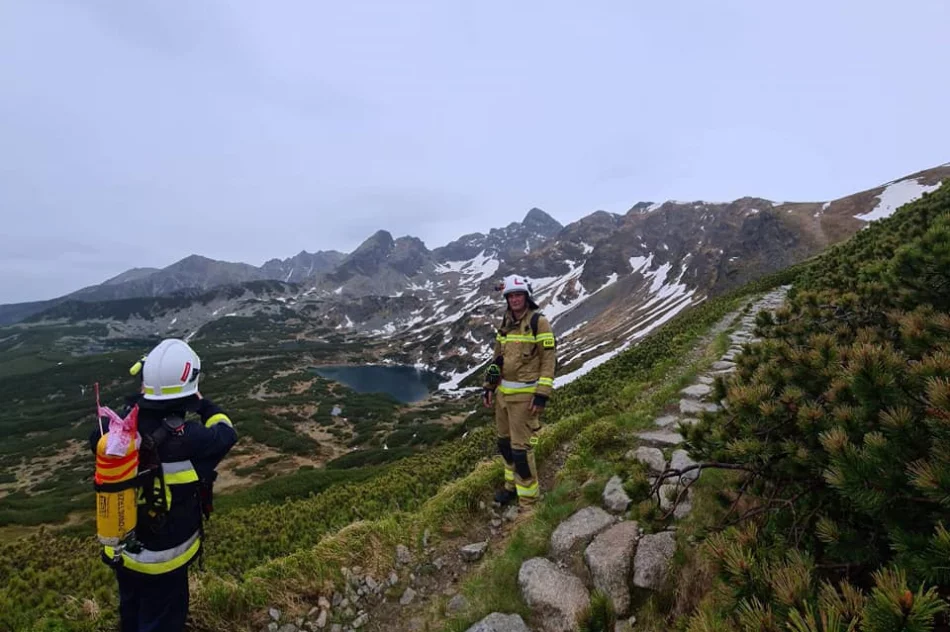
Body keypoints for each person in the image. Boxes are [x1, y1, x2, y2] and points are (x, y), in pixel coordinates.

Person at [89, 338, 237, 632]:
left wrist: (140, 400)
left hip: (123, 547)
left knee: (131, 608)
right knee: (164, 620)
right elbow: (226, 432)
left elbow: (115, 430)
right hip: (165, 559)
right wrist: (201, 402)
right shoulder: (192, 438)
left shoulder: (114, 434)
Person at [482, 274, 557, 508]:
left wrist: (542, 394)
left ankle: (528, 501)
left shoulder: (538, 322)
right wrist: (489, 387)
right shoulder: (505, 324)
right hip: (503, 396)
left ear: (526, 296)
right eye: (510, 296)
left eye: (518, 295)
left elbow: (548, 359)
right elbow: (497, 359)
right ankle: (510, 488)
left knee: (520, 451)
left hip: (525, 398)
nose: (514, 299)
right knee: (504, 445)